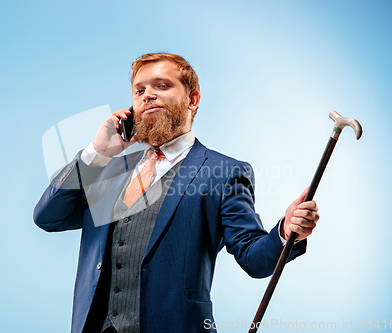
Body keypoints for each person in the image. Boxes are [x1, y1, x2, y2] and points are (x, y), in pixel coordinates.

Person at [33, 53, 319, 333]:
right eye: (139, 90)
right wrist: (96, 153)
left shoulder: (224, 172)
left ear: (192, 100)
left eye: (162, 85)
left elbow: (253, 257)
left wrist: (286, 231)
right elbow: (49, 217)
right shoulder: (108, 169)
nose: (147, 95)